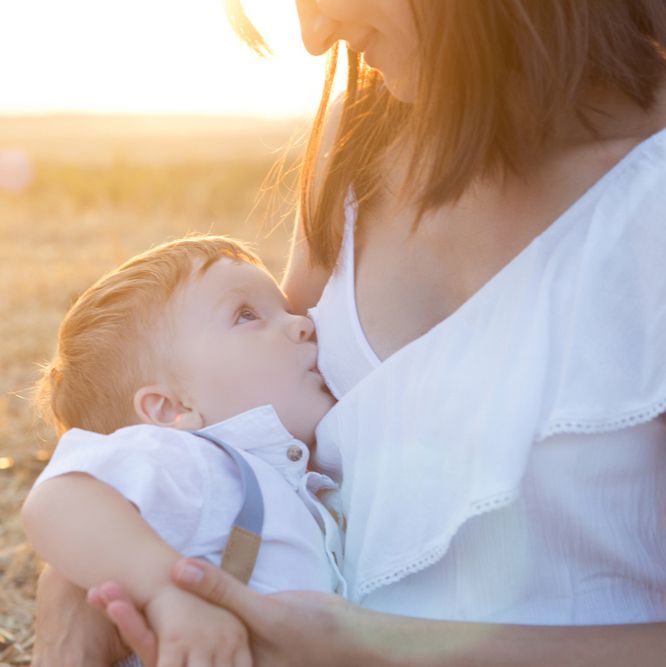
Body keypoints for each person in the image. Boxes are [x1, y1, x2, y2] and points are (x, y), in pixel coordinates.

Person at [32, 1, 666, 665]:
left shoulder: (645, 199)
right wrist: (82, 589)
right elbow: (142, 458)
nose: (312, 38)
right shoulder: (351, 147)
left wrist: (378, 650)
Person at [22, 235, 344, 666]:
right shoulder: (194, 459)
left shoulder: (299, 483)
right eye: (247, 315)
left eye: (285, 310)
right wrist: (164, 589)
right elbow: (57, 501)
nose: (303, 324)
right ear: (172, 408)